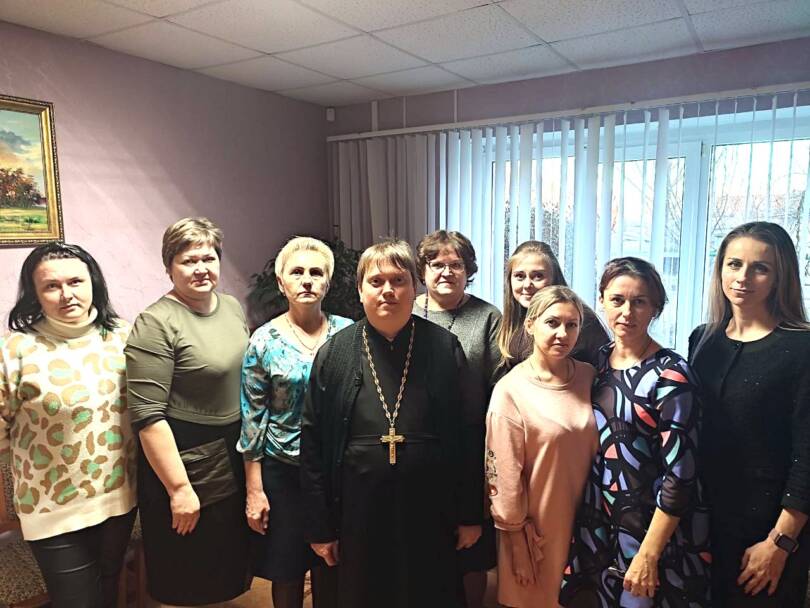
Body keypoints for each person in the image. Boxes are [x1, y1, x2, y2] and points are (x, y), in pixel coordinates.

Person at [300, 238, 484, 608]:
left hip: (430, 512)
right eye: (376, 281)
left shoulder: (443, 347)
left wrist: (469, 514)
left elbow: (468, 434)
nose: (388, 290)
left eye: (398, 281)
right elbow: (313, 443)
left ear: (414, 288)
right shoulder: (335, 353)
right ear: (360, 290)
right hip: (355, 515)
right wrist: (319, 526)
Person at [562, 257, 710, 607]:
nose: (627, 312)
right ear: (601, 300)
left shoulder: (671, 375)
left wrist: (649, 553)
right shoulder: (595, 364)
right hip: (600, 527)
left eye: (639, 302)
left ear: (655, 308)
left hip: (656, 536)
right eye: (617, 300)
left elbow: (681, 475)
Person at [0, 243, 136, 607]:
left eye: (76, 281)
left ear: (93, 282)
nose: (66, 294)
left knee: (108, 590)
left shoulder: (122, 337)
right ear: (35, 294)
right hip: (52, 509)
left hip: (119, 498)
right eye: (51, 286)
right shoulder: (16, 350)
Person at [125, 217, 251, 605]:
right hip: (183, 456)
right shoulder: (155, 323)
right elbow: (147, 416)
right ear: (169, 266)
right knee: (188, 568)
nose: (200, 268)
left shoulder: (231, 307)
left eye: (208, 258)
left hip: (232, 446)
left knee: (224, 561)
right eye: (188, 260)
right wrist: (179, 489)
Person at [688, 221, 810, 607]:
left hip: (767, 535)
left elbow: (808, 457)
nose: (743, 277)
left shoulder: (802, 348)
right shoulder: (702, 339)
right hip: (703, 526)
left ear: (780, 277)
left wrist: (780, 542)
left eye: (760, 268)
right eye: (734, 264)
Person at [239, 237, 352, 608]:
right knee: (286, 569)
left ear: (328, 283)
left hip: (336, 471)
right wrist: (255, 491)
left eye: (316, 272)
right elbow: (253, 419)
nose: (306, 280)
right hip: (283, 471)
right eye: (297, 272)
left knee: (331, 564)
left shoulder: (349, 334)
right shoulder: (263, 341)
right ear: (281, 282)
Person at [486, 285, 598, 608]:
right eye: (552, 323)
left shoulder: (589, 377)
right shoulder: (510, 390)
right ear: (530, 324)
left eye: (571, 325)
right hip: (536, 532)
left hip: (589, 522)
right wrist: (517, 546)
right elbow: (503, 477)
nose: (562, 333)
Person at [413, 229, 501, 608]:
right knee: (424, 539)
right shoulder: (406, 310)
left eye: (456, 264)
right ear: (422, 270)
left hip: (471, 445)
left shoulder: (488, 317)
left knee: (471, 549)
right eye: (436, 264)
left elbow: (499, 384)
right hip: (417, 444)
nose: (446, 272)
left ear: (469, 270)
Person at [497, 241, 608, 370]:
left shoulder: (580, 319)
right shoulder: (511, 321)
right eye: (519, 276)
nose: (527, 285)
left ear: (554, 279)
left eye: (538, 276)